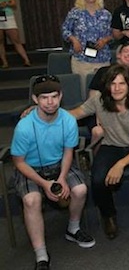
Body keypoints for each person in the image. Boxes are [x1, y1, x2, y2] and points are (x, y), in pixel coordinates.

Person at [69, 64, 129, 251]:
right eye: (113, 83)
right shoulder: (100, 101)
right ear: (107, 86)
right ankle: (108, 215)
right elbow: (75, 113)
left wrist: (121, 164)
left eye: (122, 83)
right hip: (112, 146)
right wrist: (42, 112)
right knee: (97, 179)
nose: (117, 88)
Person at [11, 75, 94, 269]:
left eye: (54, 97)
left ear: (61, 96)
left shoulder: (68, 121)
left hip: (59, 164)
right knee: (32, 200)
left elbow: (68, 153)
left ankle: (73, 229)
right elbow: (18, 162)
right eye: (44, 97)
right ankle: (41, 255)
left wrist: (62, 178)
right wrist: (44, 183)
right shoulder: (24, 127)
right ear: (35, 99)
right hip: (30, 168)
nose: (50, 102)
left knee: (80, 189)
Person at [61, 0, 112, 83]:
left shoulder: (106, 14)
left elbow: (113, 34)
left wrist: (105, 40)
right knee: (84, 92)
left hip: (102, 59)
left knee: (103, 92)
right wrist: (74, 40)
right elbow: (65, 30)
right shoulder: (75, 13)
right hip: (81, 59)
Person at [0, 0, 31, 68]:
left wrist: (6, 3)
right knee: (0, 41)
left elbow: (14, 4)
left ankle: (26, 60)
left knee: (16, 40)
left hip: (8, 16)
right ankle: (4, 62)